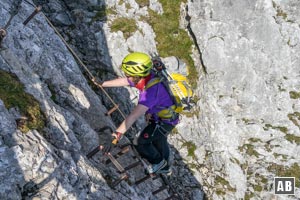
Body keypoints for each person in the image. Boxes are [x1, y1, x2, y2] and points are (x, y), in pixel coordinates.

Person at [100, 52, 179, 175]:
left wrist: (116, 136)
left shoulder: (149, 94)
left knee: (140, 142)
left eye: (128, 74)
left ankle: (160, 164)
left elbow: (133, 116)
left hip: (163, 122)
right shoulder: (147, 77)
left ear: (137, 75)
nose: (126, 76)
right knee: (159, 139)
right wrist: (103, 83)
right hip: (164, 118)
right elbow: (126, 81)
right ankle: (165, 164)